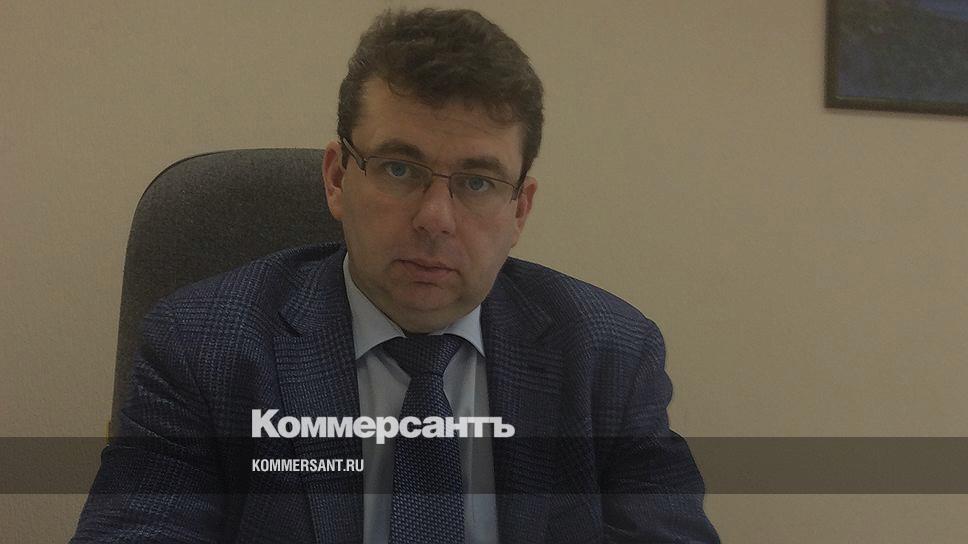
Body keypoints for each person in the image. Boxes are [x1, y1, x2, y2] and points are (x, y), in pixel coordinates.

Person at [73, 8, 719, 543]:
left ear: (520, 209)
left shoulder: (609, 358)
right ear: (336, 178)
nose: (435, 219)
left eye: (477, 182)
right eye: (399, 169)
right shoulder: (201, 349)